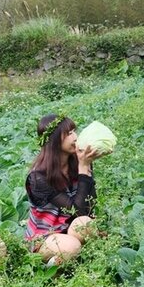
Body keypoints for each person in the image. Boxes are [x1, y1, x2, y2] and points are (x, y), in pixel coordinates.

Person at [24, 113, 102, 263]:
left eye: (74, 131)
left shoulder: (78, 163)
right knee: (72, 246)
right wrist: (84, 168)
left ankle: (68, 257)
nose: (75, 137)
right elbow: (75, 210)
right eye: (68, 134)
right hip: (45, 236)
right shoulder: (38, 177)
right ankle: (50, 266)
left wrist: (85, 169)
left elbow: (89, 207)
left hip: (70, 227)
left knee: (86, 223)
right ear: (53, 141)